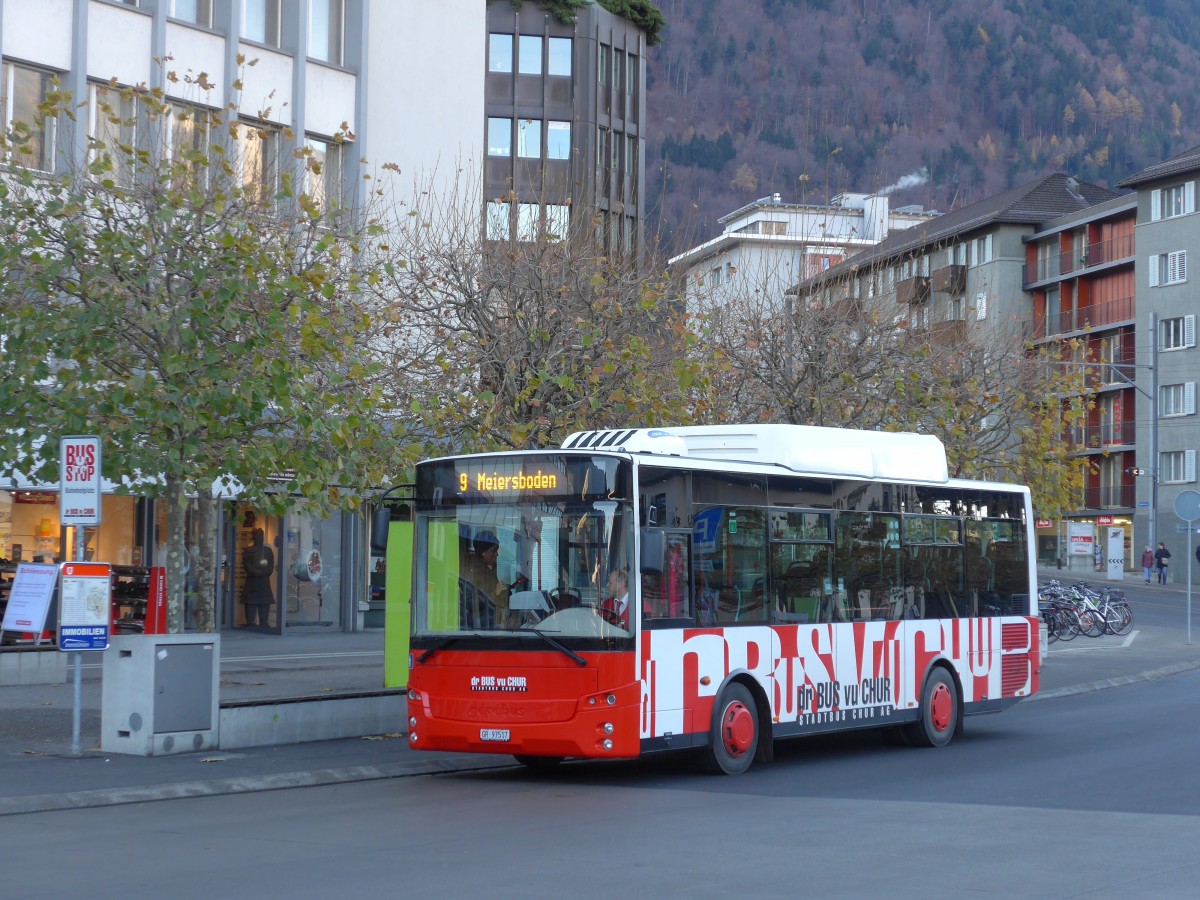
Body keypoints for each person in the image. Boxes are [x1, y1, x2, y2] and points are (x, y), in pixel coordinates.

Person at [242, 528, 275, 626]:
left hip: (264, 582)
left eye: (260, 536)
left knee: (264, 603)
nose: (258, 538)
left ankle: (264, 623)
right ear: (253, 537)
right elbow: (246, 565)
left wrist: (263, 572)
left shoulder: (268, 551)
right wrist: (255, 572)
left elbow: (270, 566)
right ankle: (250, 623)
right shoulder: (248, 550)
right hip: (252, 582)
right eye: (256, 536)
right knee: (250, 604)